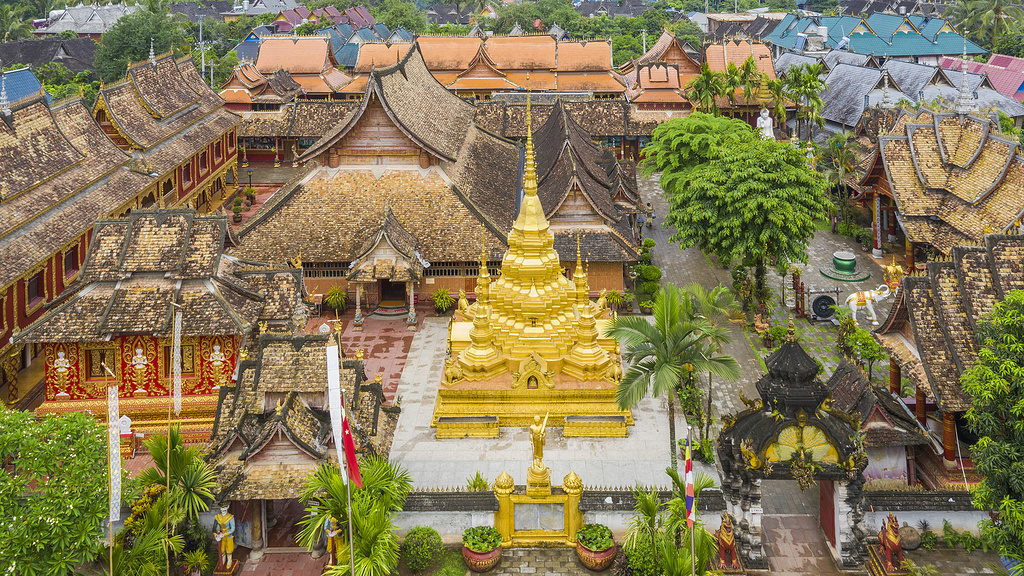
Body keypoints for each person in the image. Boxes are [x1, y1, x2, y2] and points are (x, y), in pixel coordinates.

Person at [214, 504, 235, 569]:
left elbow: (233, 528)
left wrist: (225, 534)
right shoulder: (218, 517)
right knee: (222, 549)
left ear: (228, 507)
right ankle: (223, 560)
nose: (223, 509)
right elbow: (214, 528)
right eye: (222, 508)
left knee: (229, 549)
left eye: (224, 507)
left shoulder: (230, 517)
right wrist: (216, 535)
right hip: (221, 535)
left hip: (228, 535)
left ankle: (229, 561)